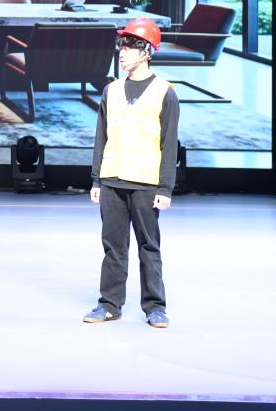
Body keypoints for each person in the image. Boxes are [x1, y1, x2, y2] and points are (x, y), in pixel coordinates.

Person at [84, 18, 179, 329]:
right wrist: (97, 179)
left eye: (129, 47)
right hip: (112, 180)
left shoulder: (165, 92)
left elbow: (169, 143)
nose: (122, 53)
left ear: (147, 52)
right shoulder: (111, 90)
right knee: (113, 246)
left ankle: (155, 307)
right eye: (121, 47)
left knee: (148, 246)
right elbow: (101, 136)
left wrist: (165, 188)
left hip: (146, 183)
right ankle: (109, 304)